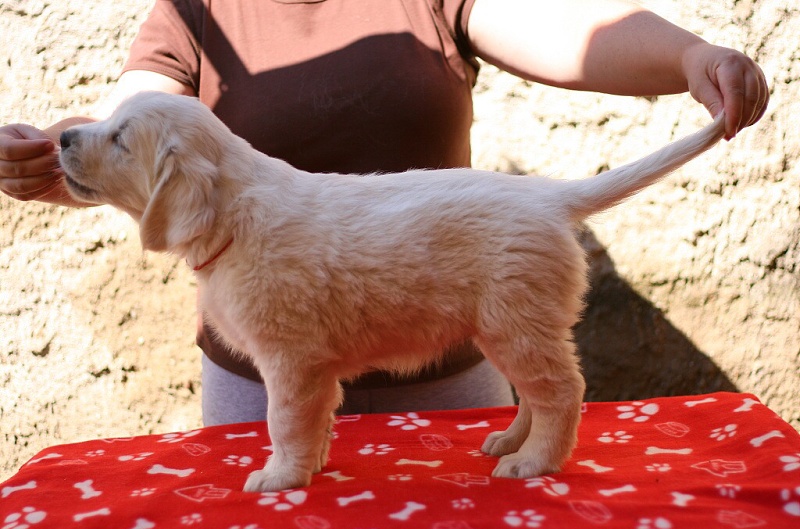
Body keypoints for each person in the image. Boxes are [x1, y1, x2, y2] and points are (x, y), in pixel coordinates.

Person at [0, 0, 768, 426]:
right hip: (260, 381)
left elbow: (574, 33)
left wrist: (688, 57)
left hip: (443, 365)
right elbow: (131, 125)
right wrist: (52, 155)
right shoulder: (194, 9)